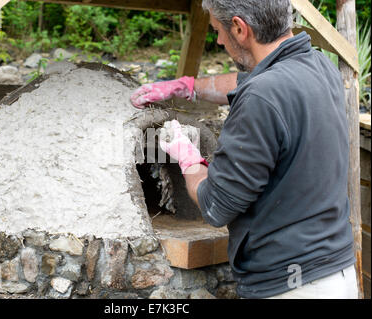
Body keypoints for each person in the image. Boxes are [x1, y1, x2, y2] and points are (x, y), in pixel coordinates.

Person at [130, 0, 358, 299]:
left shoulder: (261, 98)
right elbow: (247, 81)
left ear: (239, 28)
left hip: (290, 286)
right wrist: (186, 86)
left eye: (218, 30)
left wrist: (189, 159)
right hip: (336, 272)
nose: (219, 40)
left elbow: (216, 205)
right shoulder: (319, 66)